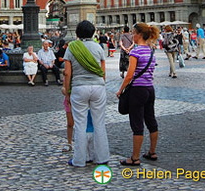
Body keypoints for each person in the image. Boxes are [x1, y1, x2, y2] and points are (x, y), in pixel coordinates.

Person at [63, 20, 109, 167]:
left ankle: (79, 159)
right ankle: (102, 157)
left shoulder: (72, 48)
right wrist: (101, 84)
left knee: (80, 124)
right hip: (98, 87)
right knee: (99, 123)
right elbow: (103, 71)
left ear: (77, 33)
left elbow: (67, 73)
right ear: (93, 32)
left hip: (79, 87)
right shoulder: (98, 47)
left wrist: (67, 92)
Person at [116, 22, 159, 166]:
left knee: (137, 124)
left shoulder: (136, 52)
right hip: (149, 89)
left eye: (134, 33)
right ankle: (152, 151)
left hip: (138, 90)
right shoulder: (151, 51)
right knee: (151, 120)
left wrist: (120, 90)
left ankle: (135, 157)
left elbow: (129, 75)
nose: (132, 36)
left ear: (139, 35)